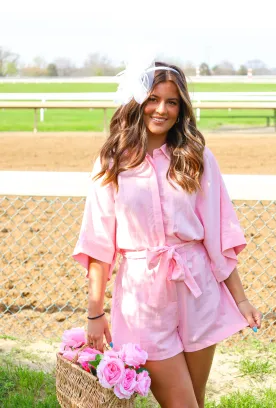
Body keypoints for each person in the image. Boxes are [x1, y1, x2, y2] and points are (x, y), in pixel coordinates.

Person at [72, 61, 262, 408]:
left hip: (197, 289)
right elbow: (99, 243)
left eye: (172, 101)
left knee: (196, 400)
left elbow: (218, 235)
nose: (162, 109)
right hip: (142, 299)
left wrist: (242, 299)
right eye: (153, 98)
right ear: (137, 101)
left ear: (182, 107)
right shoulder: (113, 161)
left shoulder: (197, 157)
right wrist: (95, 313)